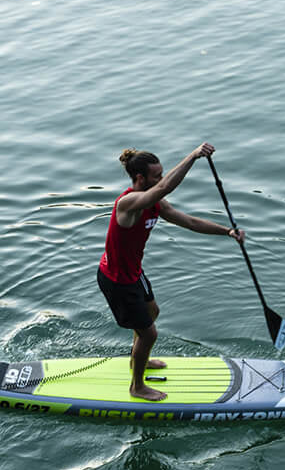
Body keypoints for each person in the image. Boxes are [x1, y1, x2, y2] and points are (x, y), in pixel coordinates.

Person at [97, 142, 244, 401]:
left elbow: (189, 221)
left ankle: (137, 358)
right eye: (157, 176)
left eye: (162, 174)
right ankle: (137, 387)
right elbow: (165, 188)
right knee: (149, 332)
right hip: (116, 280)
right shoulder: (129, 203)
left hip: (134, 272)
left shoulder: (157, 204)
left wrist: (227, 232)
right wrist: (194, 155)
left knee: (152, 313)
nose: (161, 180)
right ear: (140, 178)